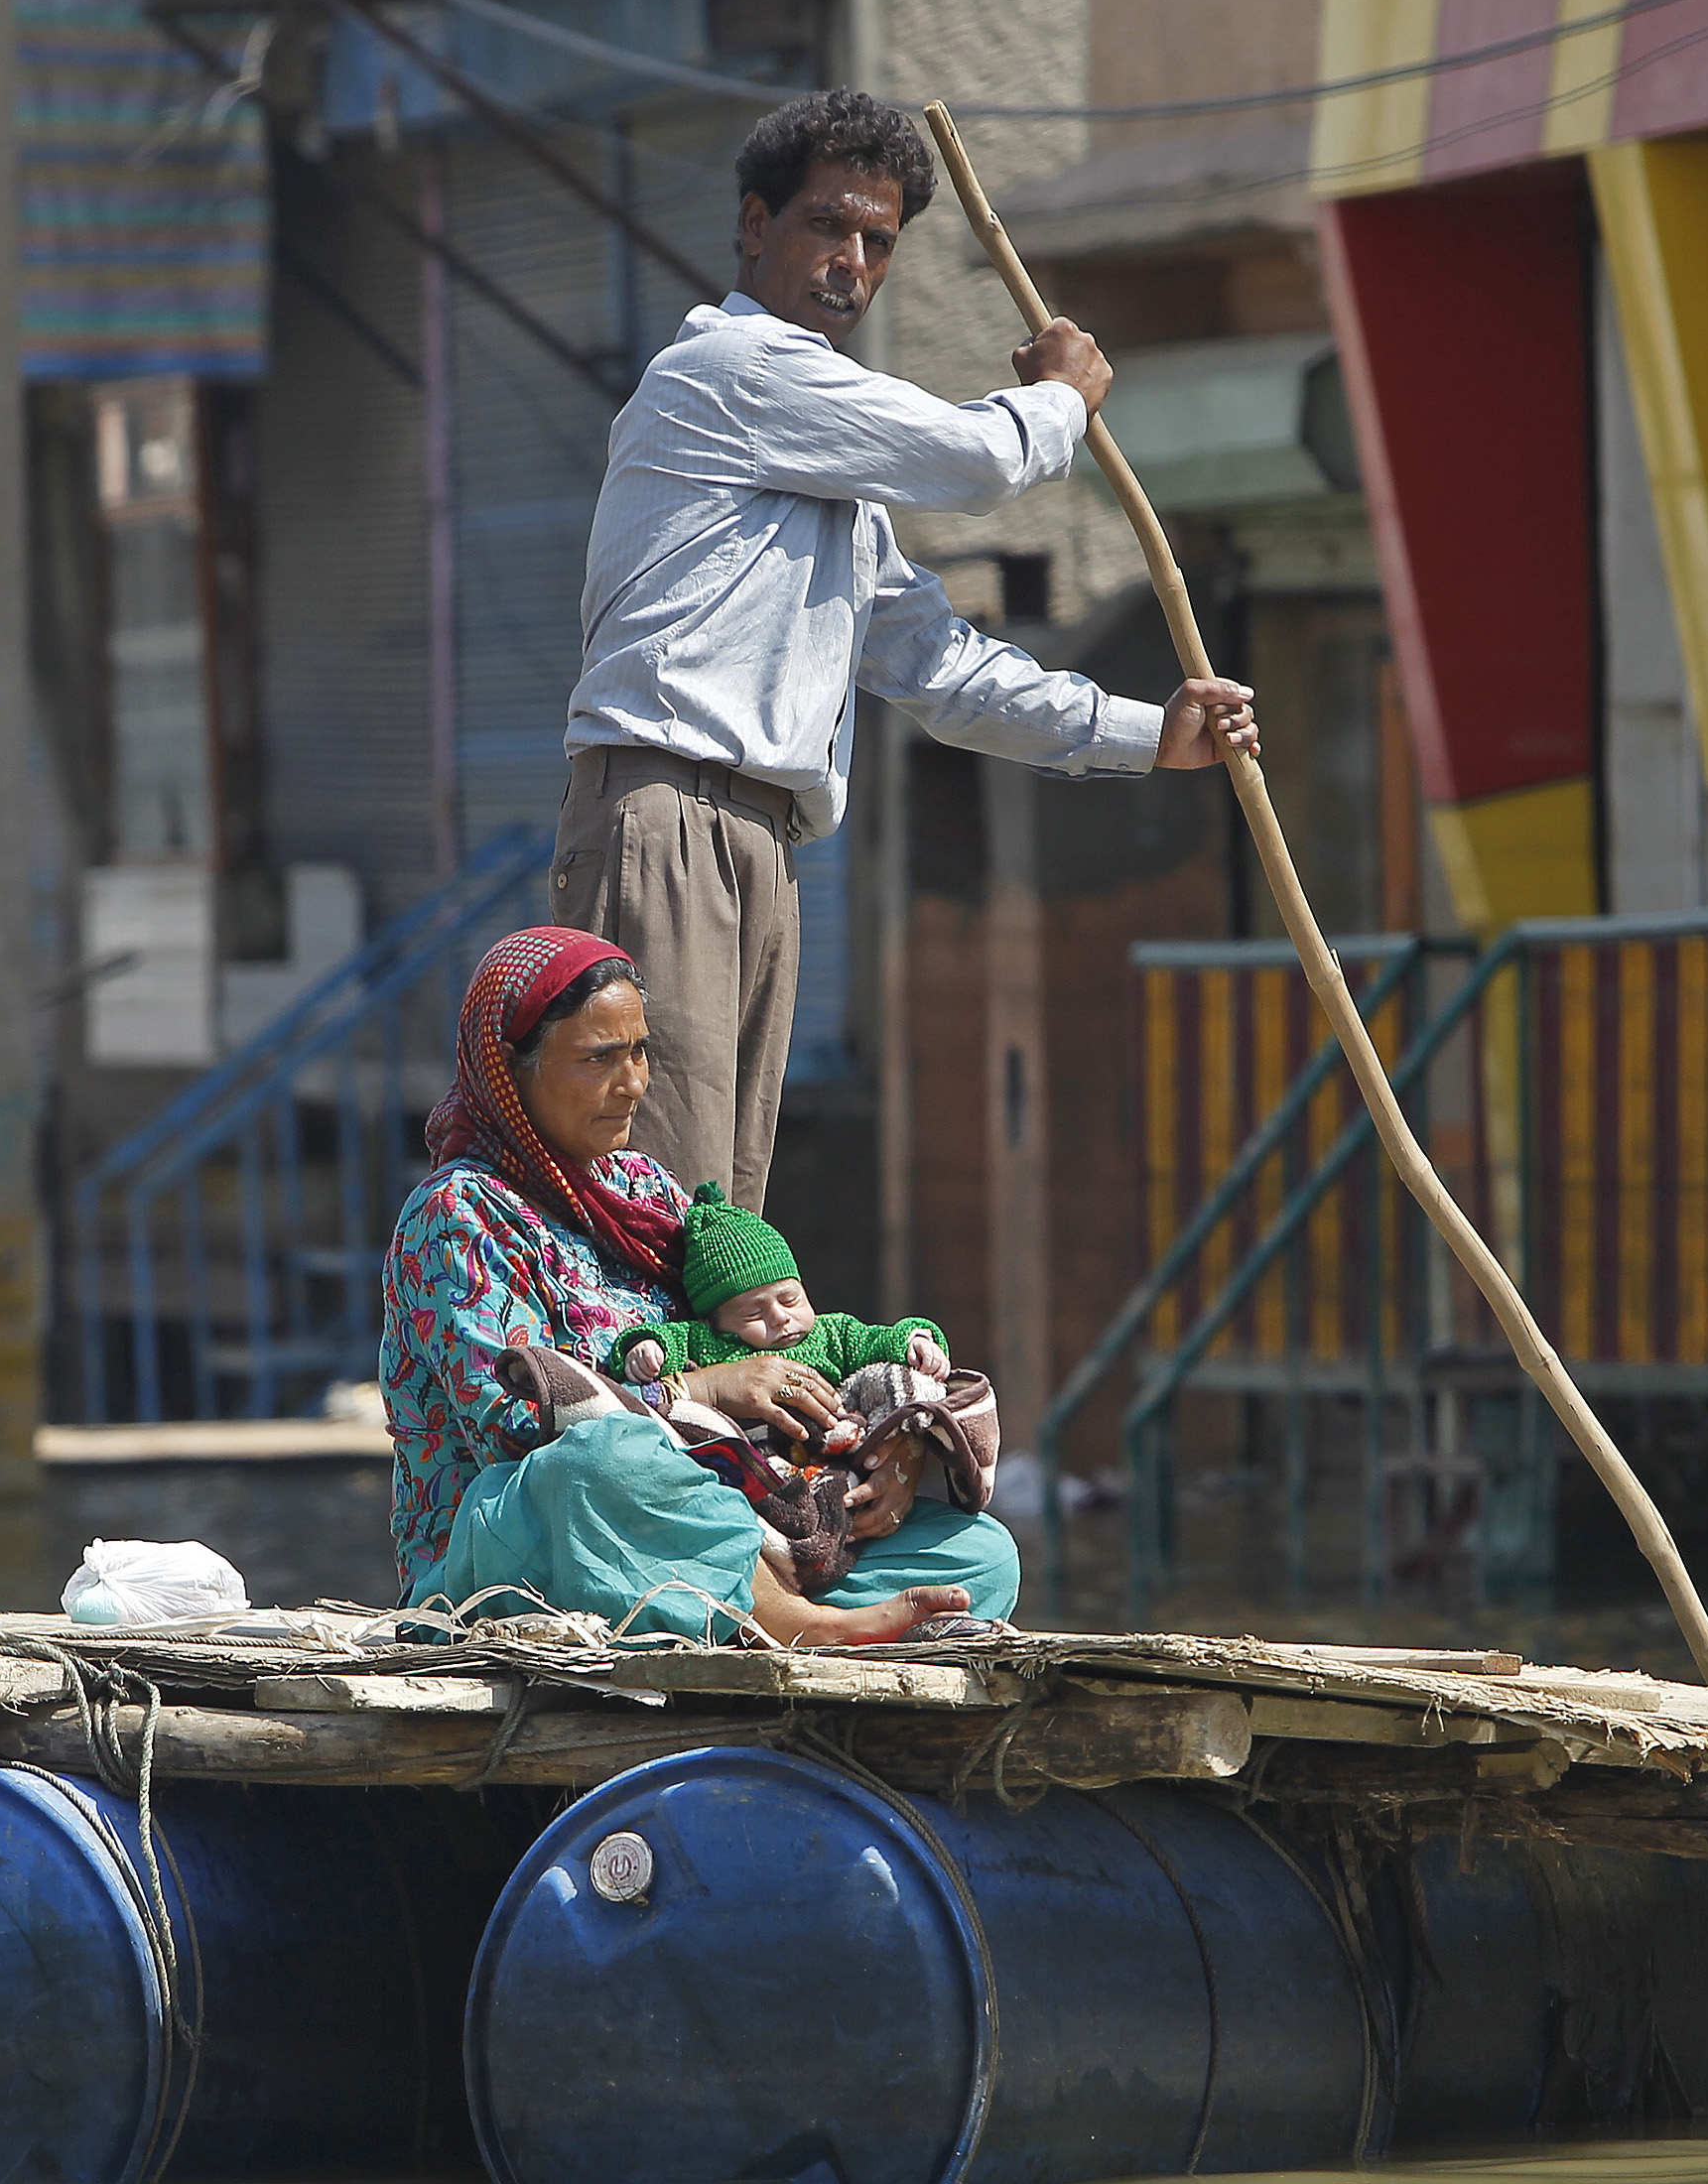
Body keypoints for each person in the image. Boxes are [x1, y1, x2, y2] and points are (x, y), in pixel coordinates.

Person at [555, 86, 1259, 1211]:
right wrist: (1061, 402)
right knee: (661, 1188)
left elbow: (943, 670)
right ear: (754, 226)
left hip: (755, 840)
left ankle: (713, 1381)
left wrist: (1145, 732)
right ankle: (647, 1387)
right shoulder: (731, 372)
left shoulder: (832, 478)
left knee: (724, 1208)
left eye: (875, 241)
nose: (848, 260)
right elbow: (978, 460)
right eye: (824, 225)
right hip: (667, 821)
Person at [379, 925, 1019, 1644]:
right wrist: (706, 1389)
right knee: (600, 1460)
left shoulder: (647, 1190)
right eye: (599, 1059)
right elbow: (515, 1427)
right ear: (511, 1069)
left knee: (980, 1553)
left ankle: (755, 1601)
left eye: (640, 1051)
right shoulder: (455, 1215)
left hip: (722, 1512)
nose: (634, 1084)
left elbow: (777, 1347)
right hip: (530, 1543)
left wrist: (892, 1454)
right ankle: (809, 1627)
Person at [610, 1182, 947, 1383]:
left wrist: (915, 1342)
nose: (780, 1318)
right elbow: (670, 1339)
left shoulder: (833, 1335)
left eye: (789, 1300)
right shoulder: (706, 1342)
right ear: (714, 1322)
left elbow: (879, 1340)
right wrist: (648, 1350)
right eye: (754, 1313)